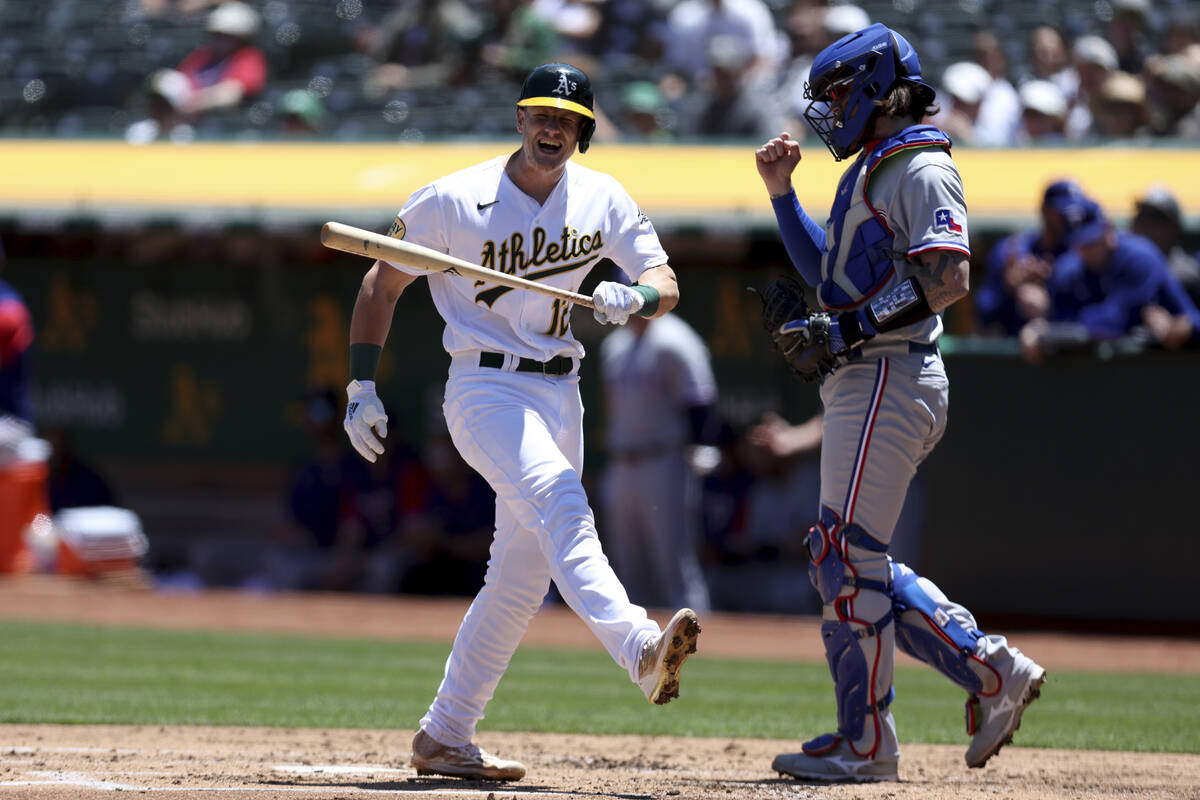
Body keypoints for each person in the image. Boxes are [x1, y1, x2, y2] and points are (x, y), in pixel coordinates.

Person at [341, 62, 701, 782]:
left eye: (567, 120)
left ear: (584, 132)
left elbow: (665, 281)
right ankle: (638, 647)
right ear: (519, 119)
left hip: (561, 391)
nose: (552, 129)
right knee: (564, 503)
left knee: (519, 578)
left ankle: (445, 734)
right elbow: (382, 282)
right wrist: (360, 384)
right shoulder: (454, 197)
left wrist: (634, 296)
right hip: (485, 388)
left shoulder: (602, 197)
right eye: (541, 115)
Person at [753, 23, 1046, 782]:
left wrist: (847, 328)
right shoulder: (877, 165)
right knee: (847, 555)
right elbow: (826, 271)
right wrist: (782, 196)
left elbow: (948, 279)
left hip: (890, 369)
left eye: (840, 94)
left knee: (844, 557)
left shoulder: (921, 166)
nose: (830, 110)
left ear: (880, 89)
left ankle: (868, 742)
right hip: (871, 372)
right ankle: (991, 671)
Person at [599, 312, 716, 613]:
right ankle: (635, 637)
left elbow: (700, 399)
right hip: (621, 461)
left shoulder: (676, 339)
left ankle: (695, 631)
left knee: (674, 562)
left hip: (663, 460)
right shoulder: (614, 346)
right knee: (626, 564)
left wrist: (701, 446)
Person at [1020, 198, 1200, 362]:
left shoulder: (1140, 259)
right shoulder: (1069, 267)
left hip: (1164, 365)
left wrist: (1051, 332)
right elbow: (1059, 315)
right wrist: (1041, 321)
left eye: (1092, 240)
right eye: (1080, 243)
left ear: (1108, 230)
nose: (1087, 250)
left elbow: (1113, 321)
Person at [975, 180, 1087, 337]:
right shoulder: (1010, 249)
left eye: (1076, 212)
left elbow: (1094, 318)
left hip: (1065, 349)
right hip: (1012, 346)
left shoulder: (1083, 253)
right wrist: (1008, 289)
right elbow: (984, 310)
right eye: (1062, 212)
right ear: (1044, 210)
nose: (1070, 219)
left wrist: (1050, 304)